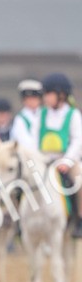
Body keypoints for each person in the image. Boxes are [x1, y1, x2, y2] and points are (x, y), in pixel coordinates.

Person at [30, 72, 82, 238]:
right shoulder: (41, 114)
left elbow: (78, 140)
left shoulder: (73, 115)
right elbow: (33, 139)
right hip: (43, 160)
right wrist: (36, 159)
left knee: (80, 180)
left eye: (48, 94)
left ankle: (79, 218)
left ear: (61, 95)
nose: (45, 98)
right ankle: (18, 220)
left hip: (66, 160)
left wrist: (66, 161)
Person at [11, 80, 43, 146]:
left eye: (34, 98)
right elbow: (24, 141)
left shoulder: (45, 114)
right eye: (28, 99)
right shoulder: (20, 119)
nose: (31, 102)